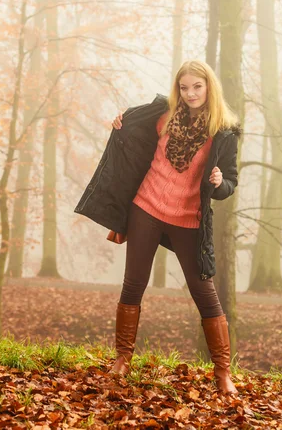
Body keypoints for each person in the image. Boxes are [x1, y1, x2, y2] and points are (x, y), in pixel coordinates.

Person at [74, 60, 242, 394]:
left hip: (187, 219)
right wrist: (120, 122)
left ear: (209, 87)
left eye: (197, 86)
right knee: (133, 283)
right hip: (146, 208)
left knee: (204, 293)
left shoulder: (223, 132)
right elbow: (129, 134)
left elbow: (230, 183)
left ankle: (223, 372)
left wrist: (220, 182)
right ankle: (122, 358)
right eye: (184, 87)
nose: (190, 93)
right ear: (177, 89)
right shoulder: (162, 115)